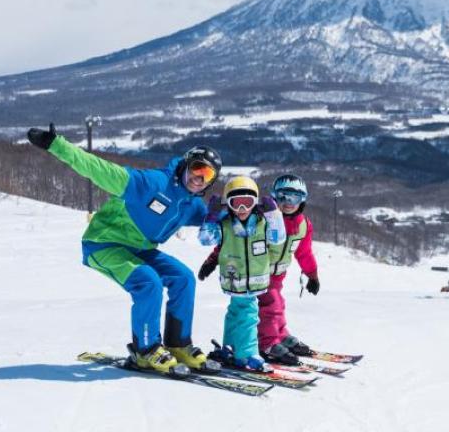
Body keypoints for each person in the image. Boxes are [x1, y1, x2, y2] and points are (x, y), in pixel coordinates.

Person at [26, 123, 221, 373]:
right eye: (197, 169)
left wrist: (245, 212)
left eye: (207, 175)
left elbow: (221, 218)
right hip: (104, 244)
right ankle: (145, 351)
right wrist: (57, 145)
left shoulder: (191, 205)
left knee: (183, 278)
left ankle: (178, 345)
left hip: (140, 249)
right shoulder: (151, 184)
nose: (199, 178)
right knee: (148, 283)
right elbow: (99, 169)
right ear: (186, 165)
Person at [197, 175, 286, 371]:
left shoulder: (263, 223)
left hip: (254, 282)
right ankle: (246, 354)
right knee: (247, 315)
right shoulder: (225, 225)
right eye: (236, 204)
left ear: (256, 203)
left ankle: (232, 347)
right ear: (228, 204)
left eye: (248, 203)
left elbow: (278, 238)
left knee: (238, 312)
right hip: (235, 280)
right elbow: (205, 240)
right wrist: (211, 217)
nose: (242, 210)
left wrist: (274, 215)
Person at [255, 174, 319, 365]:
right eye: (283, 196)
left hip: (278, 275)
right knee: (271, 305)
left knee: (278, 304)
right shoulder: (264, 219)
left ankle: (280, 335)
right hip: (259, 274)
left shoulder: (303, 225)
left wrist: (312, 276)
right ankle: (267, 344)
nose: (289, 202)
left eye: (295, 198)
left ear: (303, 200)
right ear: (275, 197)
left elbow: (304, 253)